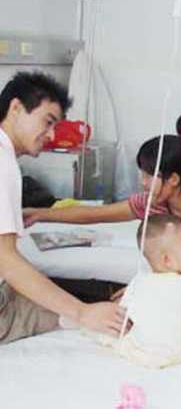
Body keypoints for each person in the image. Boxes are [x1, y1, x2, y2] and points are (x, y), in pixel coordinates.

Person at [24, 135, 181, 331]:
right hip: (166, 300)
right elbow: (95, 214)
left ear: (173, 179)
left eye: (149, 176)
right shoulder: (151, 203)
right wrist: (40, 214)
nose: (142, 182)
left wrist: (148, 289)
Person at [0, 71, 124, 344]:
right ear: (16, 108)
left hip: (7, 293)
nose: (52, 134)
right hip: (4, 312)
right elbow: (6, 260)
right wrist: (82, 313)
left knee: (72, 309)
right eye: (48, 122)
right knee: (86, 326)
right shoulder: (3, 164)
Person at [99, 215, 181, 368]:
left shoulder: (138, 281)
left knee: (128, 340)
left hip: (143, 350)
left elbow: (123, 311)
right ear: (167, 260)